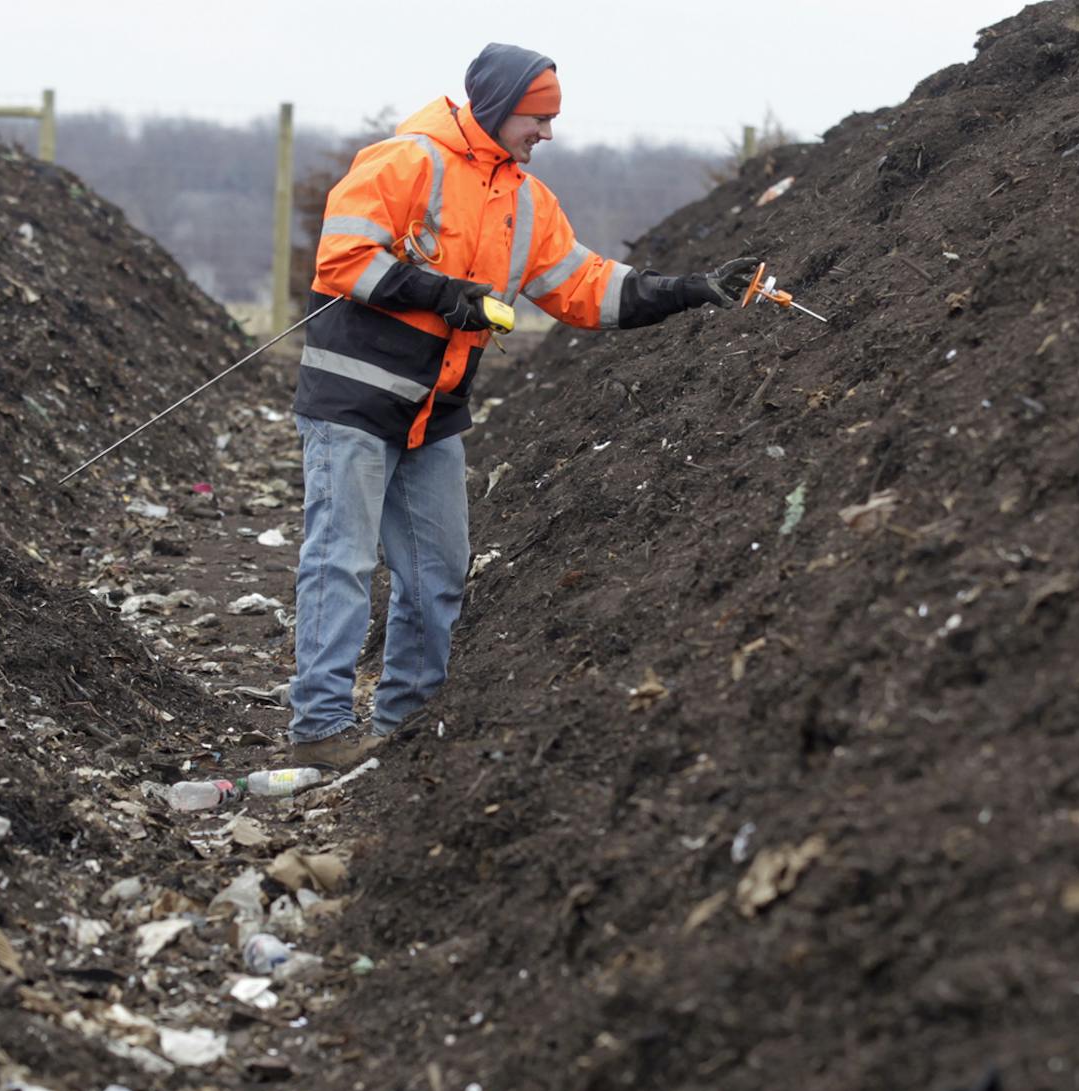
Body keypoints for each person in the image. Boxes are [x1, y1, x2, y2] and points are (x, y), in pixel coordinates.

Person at [286, 41, 759, 768]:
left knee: (438, 572)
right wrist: (443, 294)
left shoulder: (526, 202)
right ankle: (319, 731)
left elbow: (588, 288)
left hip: (433, 411)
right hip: (355, 395)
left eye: (551, 119)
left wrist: (691, 290)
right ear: (499, 107)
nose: (547, 133)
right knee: (341, 562)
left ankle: (404, 727)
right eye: (537, 118)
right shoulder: (406, 160)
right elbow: (342, 257)